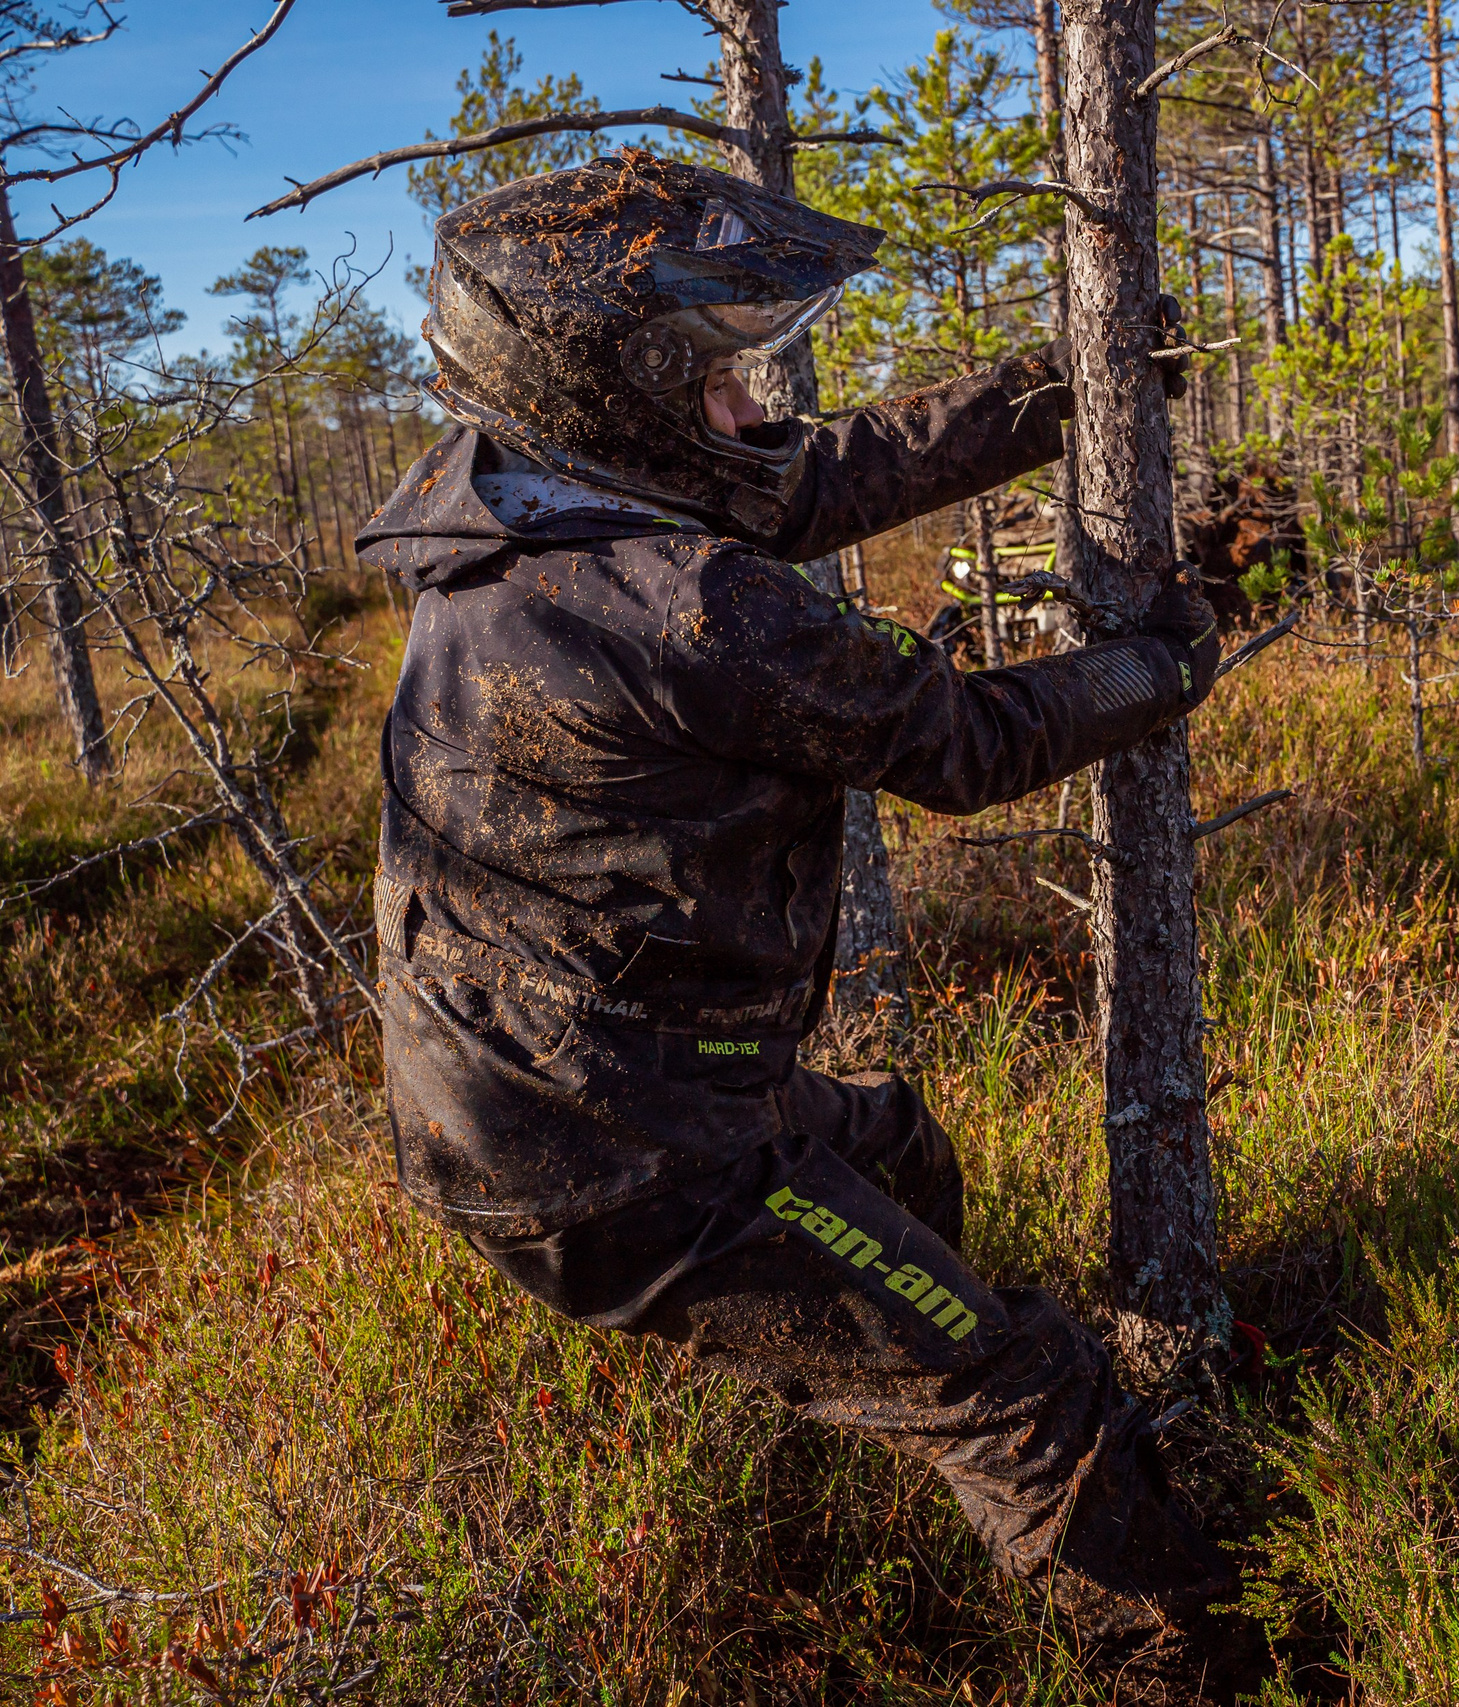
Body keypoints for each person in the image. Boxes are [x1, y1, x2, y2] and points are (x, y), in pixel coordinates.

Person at [357, 151, 1237, 1696]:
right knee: (1032, 1389)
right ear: (611, 384)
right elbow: (962, 743)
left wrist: (1057, 387)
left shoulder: (504, 492)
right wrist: (1159, 666)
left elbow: (817, 475)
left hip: (535, 1085)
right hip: (631, 1150)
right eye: (711, 373)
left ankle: (886, 1359)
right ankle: (1192, 1666)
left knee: (891, 1146)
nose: (748, 398)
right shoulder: (692, 608)